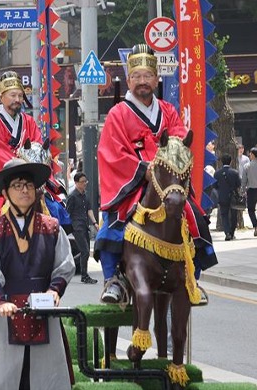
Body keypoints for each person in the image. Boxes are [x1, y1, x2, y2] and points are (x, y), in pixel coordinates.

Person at [94, 44, 217, 304]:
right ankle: (113, 279)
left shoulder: (168, 111)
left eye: (147, 76)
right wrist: (144, 170)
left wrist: (164, 168)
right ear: (128, 80)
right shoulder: (118, 114)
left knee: (194, 214)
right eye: (136, 76)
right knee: (115, 221)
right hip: (135, 182)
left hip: (166, 179)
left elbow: (180, 138)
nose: (142, 81)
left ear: (156, 78)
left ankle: (191, 276)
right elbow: (111, 154)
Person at [0, 158, 75, 390]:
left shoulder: (52, 227)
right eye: (17, 185)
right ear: (5, 192)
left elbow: (64, 265)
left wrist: (54, 290)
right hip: (6, 312)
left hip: (45, 310)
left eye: (29, 185)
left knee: (44, 375)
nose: (24, 190)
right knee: (4, 376)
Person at [0, 71, 44, 221]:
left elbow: (37, 145)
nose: (17, 99)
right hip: (2, 177)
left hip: (28, 175)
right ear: (1, 97)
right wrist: (20, 163)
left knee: (55, 205)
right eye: (13, 95)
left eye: (20, 96)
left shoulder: (29, 121)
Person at [65, 172, 99, 284]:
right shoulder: (72, 196)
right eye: (82, 182)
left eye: (86, 181)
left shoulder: (85, 195)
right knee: (84, 251)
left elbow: (89, 210)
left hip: (85, 226)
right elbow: (67, 213)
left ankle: (84, 274)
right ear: (76, 183)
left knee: (86, 251)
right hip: (77, 227)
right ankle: (84, 276)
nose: (85, 183)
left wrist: (94, 223)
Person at [213, 154, 241, 241]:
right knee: (233, 215)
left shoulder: (217, 173)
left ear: (221, 162)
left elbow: (215, 185)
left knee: (224, 215)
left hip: (222, 196)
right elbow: (238, 184)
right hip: (233, 196)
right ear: (231, 161)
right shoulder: (235, 172)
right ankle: (232, 233)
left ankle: (227, 232)